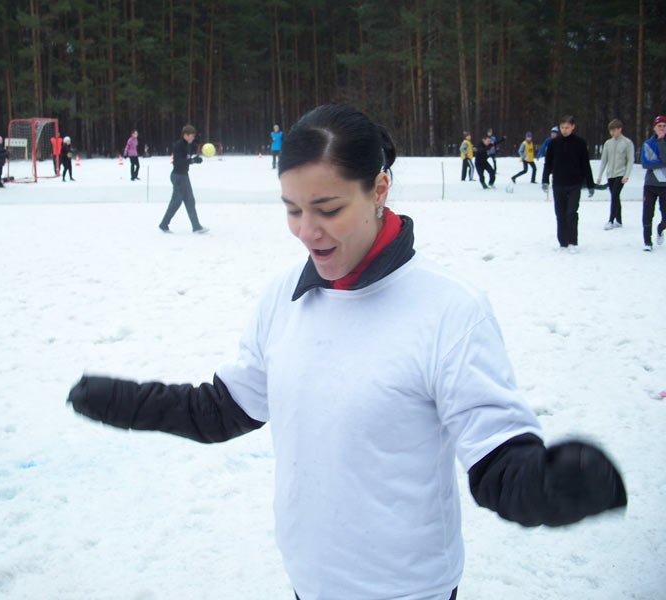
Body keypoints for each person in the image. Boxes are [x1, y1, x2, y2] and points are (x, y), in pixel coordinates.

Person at [68, 104, 626, 600]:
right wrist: (128, 403)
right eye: (292, 209)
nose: (306, 231)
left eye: (327, 209)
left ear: (378, 190)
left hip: (408, 588)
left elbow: (497, 457)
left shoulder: (449, 310)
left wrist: (545, 486)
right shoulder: (284, 297)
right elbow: (223, 408)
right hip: (308, 580)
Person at [542, 115, 594, 253]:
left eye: (567, 127)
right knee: (560, 213)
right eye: (562, 127)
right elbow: (548, 163)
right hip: (558, 183)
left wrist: (590, 183)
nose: (564, 130)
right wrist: (545, 180)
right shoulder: (553, 143)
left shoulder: (580, 143)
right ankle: (563, 243)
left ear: (573, 127)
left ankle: (572, 241)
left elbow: (585, 164)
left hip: (574, 184)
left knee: (571, 212)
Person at [158, 125, 208, 233]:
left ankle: (196, 226)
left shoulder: (188, 144)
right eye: (191, 136)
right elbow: (178, 162)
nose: (193, 138)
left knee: (190, 201)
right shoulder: (179, 145)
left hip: (184, 176)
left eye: (194, 136)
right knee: (176, 202)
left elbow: (194, 146)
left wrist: (196, 159)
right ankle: (163, 224)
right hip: (179, 177)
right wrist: (193, 161)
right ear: (185, 135)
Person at [596, 119, 635, 230]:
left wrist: (626, 175)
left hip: (620, 174)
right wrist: (599, 175)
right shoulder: (608, 143)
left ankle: (611, 220)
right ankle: (619, 220)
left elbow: (630, 160)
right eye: (611, 131)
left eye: (614, 130)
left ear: (620, 129)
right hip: (610, 175)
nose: (612, 133)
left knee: (614, 195)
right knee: (615, 196)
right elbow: (604, 160)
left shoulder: (627, 143)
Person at [640, 115, 666, 251]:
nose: (661, 128)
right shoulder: (647, 144)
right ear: (654, 127)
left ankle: (661, 228)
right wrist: (661, 163)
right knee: (648, 213)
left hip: (665, 185)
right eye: (659, 126)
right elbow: (645, 164)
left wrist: (662, 142)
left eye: (664, 126)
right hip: (650, 185)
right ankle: (647, 241)